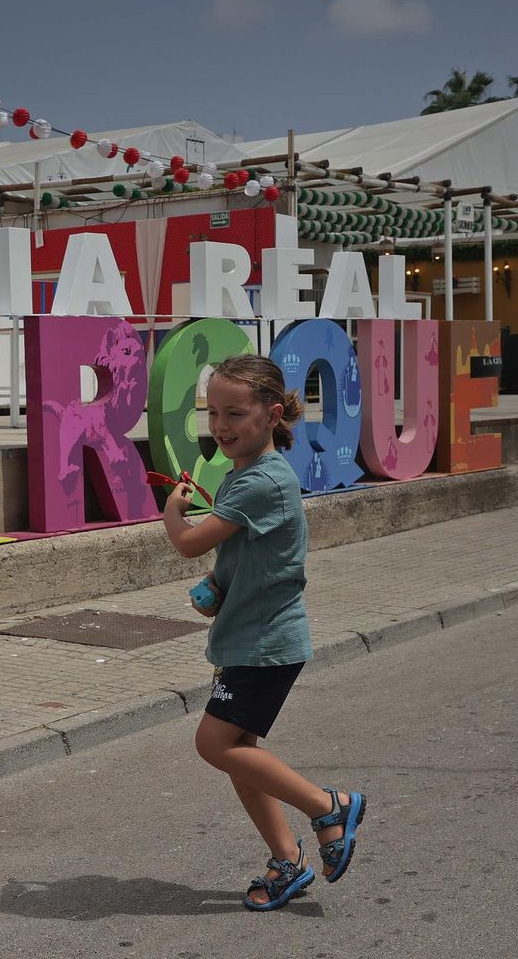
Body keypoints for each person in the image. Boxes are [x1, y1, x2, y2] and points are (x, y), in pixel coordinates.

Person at [160, 354, 366, 912]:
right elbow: (255, 557)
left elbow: (189, 540)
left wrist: (171, 511)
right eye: (214, 413)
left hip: (266, 645)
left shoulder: (264, 482)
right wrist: (220, 587)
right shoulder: (246, 476)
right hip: (251, 637)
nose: (221, 426)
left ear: (273, 414)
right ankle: (287, 861)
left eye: (236, 413)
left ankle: (329, 807)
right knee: (237, 751)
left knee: (214, 744)